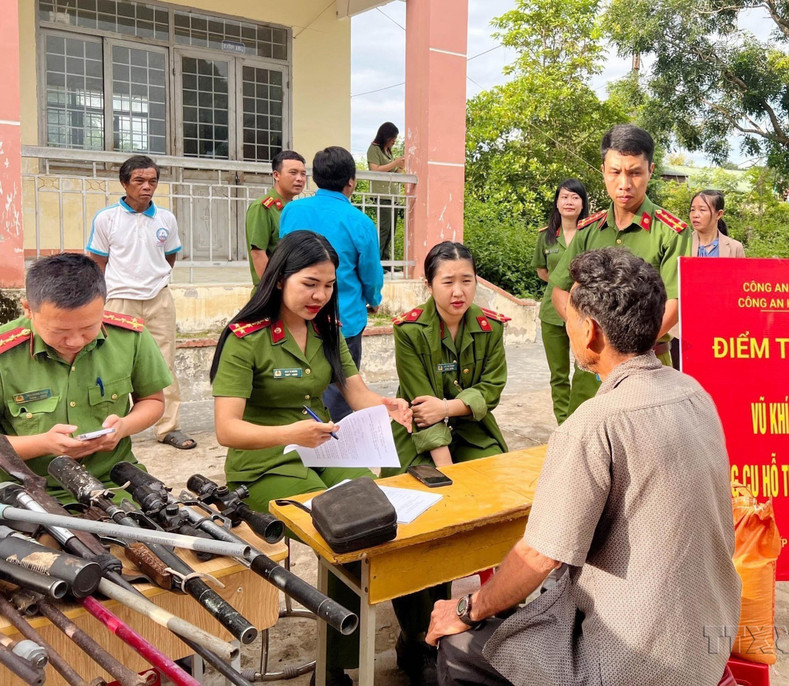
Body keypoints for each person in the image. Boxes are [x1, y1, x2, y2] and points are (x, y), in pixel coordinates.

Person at [427, 248, 741, 686]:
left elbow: (540, 556)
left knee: (458, 648)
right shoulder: (692, 391)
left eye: (570, 316)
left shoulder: (593, 425)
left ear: (590, 332)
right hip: (710, 636)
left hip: (630, 661)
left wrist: (466, 608)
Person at [209, 231, 411, 686]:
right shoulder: (246, 338)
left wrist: (388, 405)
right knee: (337, 522)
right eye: (309, 283)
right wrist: (290, 433)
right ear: (279, 279)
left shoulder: (327, 331)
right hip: (263, 461)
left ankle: (337, 656)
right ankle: (335, 662)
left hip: (322, 446)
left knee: (370, 511)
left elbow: (356, 393)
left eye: (328, 285)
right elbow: (227, 428)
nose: (320, 295)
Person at [385, 241, 508, 685]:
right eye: (448, 281)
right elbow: (420, 409)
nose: (459, 291)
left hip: (472, 431)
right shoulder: (410, 330)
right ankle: (417, 637)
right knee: (423, 521)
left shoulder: (491, 327)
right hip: (421, 439)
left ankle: (502, 611)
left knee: (499, 504)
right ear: (429, 284)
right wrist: (447, 471)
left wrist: (450, 407)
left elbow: (491, 388)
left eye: (467, 280)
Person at [0, 254, 171, 503]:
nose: (76, 341)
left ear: (103, 304)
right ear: (28, 309)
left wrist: (123, 427)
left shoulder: (130, 337)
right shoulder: (5, 352)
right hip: (27, 489)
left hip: (114, 482)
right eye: (60, 331)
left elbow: (153, 401)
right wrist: (44, 444)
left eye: (88, 328)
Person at [549, 124, 691, 416]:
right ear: (603, 170)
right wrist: (587, 334)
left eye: (634, 172)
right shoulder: (588, 231)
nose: (624, 183)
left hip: (647, 371)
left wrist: (625, 347)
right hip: (592, 373)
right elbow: (560, 292)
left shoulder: (672, 233)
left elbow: (675, 303)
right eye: (615, 172)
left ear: (650, 170)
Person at [86, 155, 195, 450]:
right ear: (124, 183)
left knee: (164, 363)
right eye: (139, 181)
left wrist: (156, 280)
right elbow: (98, 261)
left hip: (158, 298)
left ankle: (168, 427)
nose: (147, 187)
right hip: (119, 300)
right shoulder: (106, 218)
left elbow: (169, 256)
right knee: (115, 364)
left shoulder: (165, 219)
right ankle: (114, 427)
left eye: (152, 181)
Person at [279, 146, 384, 423]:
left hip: (295, 320)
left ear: (316, 179)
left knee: (297, 392)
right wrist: (373, 300)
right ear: (351, 181)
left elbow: (283, 258)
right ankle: (335, 450)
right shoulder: (360, 222)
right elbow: (371, 275)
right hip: (343, 321)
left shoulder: (291, 211)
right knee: (341, 395)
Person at [532, 179, 590, 424]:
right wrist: (560, 290)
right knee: (558, 374)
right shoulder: (546, 237)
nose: (569, 202)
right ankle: (563, 423)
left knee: (585, 370)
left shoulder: (591, 233)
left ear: (582, 203)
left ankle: (581, 421)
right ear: (557, 202)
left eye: (575, 197)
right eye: (564, 197)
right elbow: (542, 272)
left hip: (584, 312)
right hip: (552, 313)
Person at [670, 189, 746, 368]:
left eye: (702, 210)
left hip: (720, 327)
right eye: (692, 210)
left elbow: (740, 289)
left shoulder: (734, 248)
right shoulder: (681, 243)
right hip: (683, 328)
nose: (695, 215)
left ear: (719, 214)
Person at [245, 150, 306, 285]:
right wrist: (272, 288)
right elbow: (258, 253)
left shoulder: (293, 208)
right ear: (276, 175)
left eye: (303, 174)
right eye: (293, 173)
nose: (299, 179)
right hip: (273, 291)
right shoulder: (262, 207)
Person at [367, 122, 406, 263]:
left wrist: (400, 167)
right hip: (381, 195)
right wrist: (395, 163)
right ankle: (377, 262)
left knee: (391, 230)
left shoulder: (388, 151)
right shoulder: (374, 149)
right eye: (392, 138)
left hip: (392, 196)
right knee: (384, 229)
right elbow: (375, 169)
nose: (394, 141)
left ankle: (386, 261)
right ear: (385, 136)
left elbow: (393, 173)